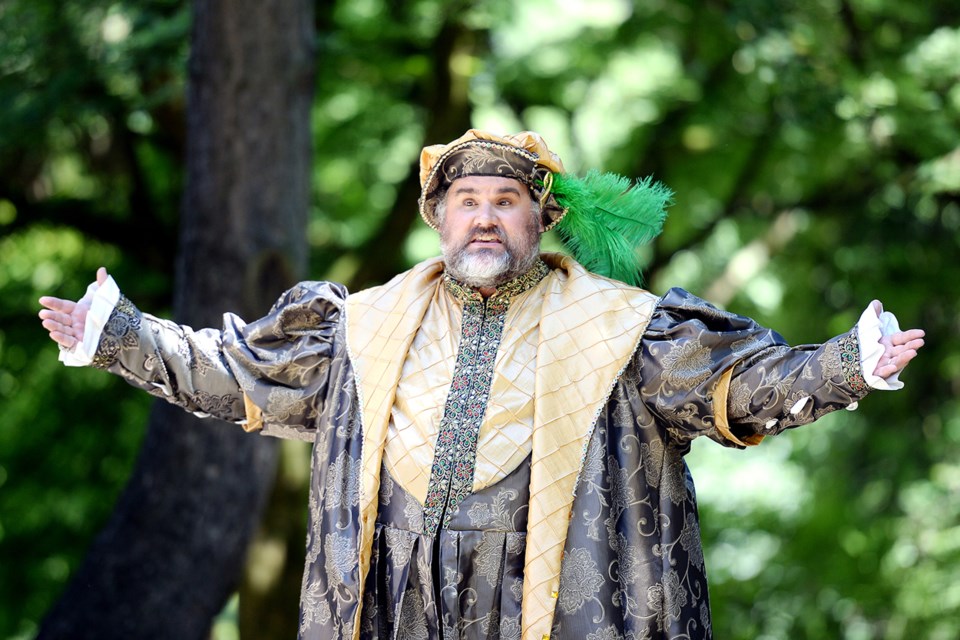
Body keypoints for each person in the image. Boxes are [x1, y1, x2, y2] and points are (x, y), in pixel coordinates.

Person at [39, 130, 923, 640]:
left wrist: (848, 362)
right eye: (469, 201)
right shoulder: (360, 325)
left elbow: (743, 379)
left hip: (551, 598)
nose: (487, 216)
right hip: (398, 604)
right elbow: (235, 372)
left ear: (541, 216)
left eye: (507, 200)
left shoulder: (623, 327)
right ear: (439, 217)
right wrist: (117, 336)